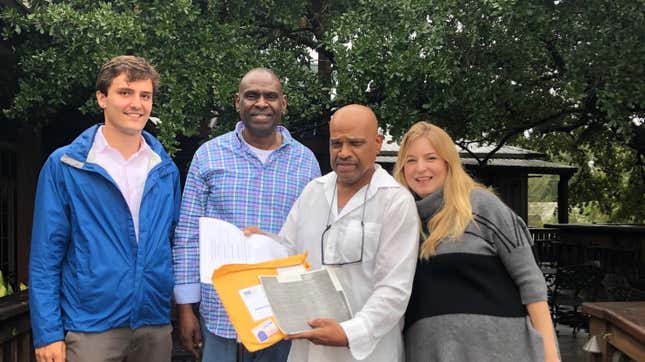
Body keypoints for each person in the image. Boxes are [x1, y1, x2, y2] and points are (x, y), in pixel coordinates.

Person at [29, 55, 181, 362]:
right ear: (102, 97)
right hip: (90, 328)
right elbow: (46, 256)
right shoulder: (66, 165)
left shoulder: (165, 170)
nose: (136, 104)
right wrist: (48, 332)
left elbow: (175, 241)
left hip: (154, 325)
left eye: (145, 95)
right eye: (125, 93)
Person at [172, 67, 321, 362]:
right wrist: (186, 308)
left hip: (282, 312)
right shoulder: (209, 155)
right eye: (252, 95)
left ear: (283, 103)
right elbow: (188, 234)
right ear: (237, 101)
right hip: (220, 310)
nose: (261, 103)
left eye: (270, 96)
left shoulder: (306, 163)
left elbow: (312, 239)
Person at [393, 121, 560, 362]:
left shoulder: (483, 206)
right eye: (411, 160)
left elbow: (531, 283)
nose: (421, 168)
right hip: (429, 353)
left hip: (501, 352)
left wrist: (551, 356)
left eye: (431, 158)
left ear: (448, 162)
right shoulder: (399, 223)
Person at [268, 104, 419, 361]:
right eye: (336, 143)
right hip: (308, 349)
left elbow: (394, 289)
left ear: (377, 143)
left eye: (355, 143)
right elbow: (285, 257)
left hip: (369, 351)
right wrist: (259, 242)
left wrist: (349, 333)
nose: (344, 153)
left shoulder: (394, 201)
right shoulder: (313, 192)